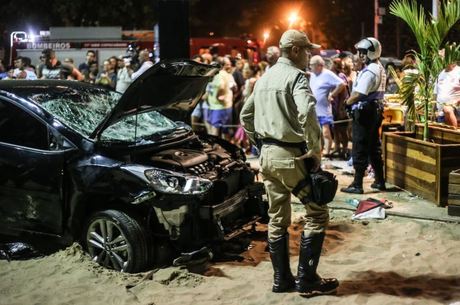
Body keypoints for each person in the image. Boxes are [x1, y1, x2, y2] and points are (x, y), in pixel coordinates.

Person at [240, 29, 339, 297]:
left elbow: (245, 115)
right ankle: (307, 279)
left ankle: (281, 280)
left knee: (277, 218)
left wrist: (259, 143)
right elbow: (307, 110)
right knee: (317, 212)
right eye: (307, 50)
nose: (310, 54)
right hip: (291, 155)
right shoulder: (295, 76)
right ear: (295, 51)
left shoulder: (264, 78)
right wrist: (315, 148)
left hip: (268, 158)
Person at [341, 37, 386, 194]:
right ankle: (380, 181)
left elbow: (359, 93)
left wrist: (347, 102)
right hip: (375, 110)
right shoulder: (379, 67)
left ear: (371, 53)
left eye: (362, 52)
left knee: (359, 147)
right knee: (374, 147)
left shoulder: (370, 71)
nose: (359, 55)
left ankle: (357, 184)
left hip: (366, 112)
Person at [308, 55, 346, 157]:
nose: (310, 67)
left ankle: (327, 151)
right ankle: (319, 150)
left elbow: (342, 84)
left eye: (312, 65)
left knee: (325, 131)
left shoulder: (327, 74)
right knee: (316, 132)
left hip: (324, 108)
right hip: (314, 109)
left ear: (319, 65)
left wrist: (332, 94)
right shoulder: (313, 75)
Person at [434, 62, 460, 127]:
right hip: (441, 115)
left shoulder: (458, 71)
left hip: (456, 113)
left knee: (447, 109)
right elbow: (436, 93)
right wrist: (434, 109)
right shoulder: (440, 74)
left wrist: (457, 102)